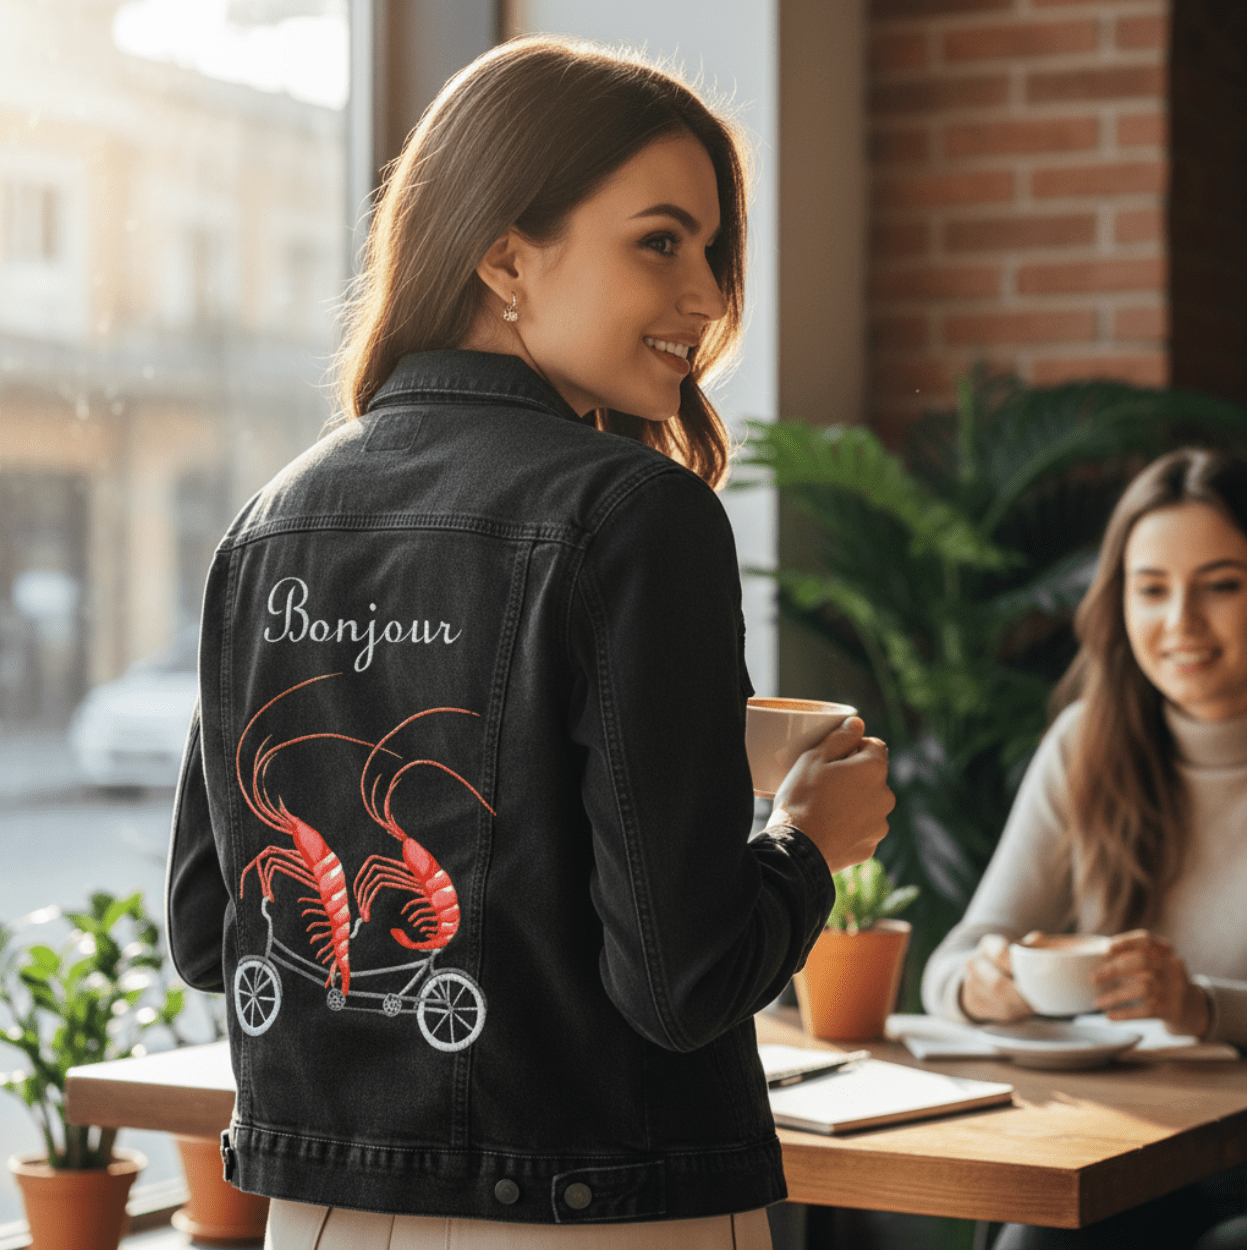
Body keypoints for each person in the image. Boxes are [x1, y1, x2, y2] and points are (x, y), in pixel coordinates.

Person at [165, 36, 893, 1250]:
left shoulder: (268, 524)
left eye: (711, 250)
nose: (709, 295)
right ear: (506, 255)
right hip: (599, 1213)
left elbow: (208, 931)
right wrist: (811, 841)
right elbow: (681, 985)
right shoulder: (635, 512)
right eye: (661, 241)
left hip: (318, 1213)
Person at [922, 447, 1245, 1250]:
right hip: (1130, 1145)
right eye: (1152, 590)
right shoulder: (1087, 744)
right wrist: (988, 984)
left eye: (1223, 585)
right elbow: (949, 969)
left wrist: (1203, 1007)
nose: (1181, 624)